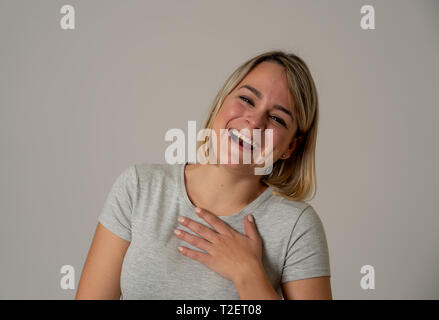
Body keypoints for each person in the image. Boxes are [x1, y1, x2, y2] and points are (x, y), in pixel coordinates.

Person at [75, 50, 332, 300]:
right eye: (246, 99)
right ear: (223, 100)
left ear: (290, 147)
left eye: (277, 118)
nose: (254, 122)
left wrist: (248, 275)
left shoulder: (297, 226)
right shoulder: (139, 187)